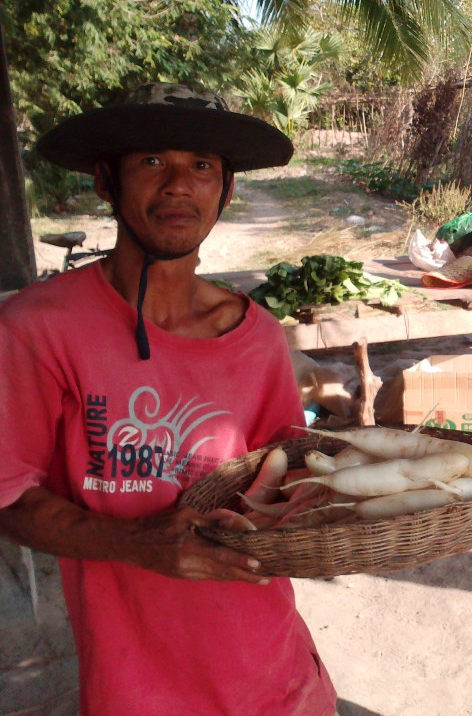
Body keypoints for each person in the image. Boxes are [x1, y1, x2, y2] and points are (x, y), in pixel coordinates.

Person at [0, 83, 338, 716]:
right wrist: (134, 542)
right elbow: (8, 495)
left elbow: (284, 477)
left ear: (227, 190)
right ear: (106, 181)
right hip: (138, 689)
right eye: (153, 161)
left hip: (275, 674)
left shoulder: (257, 335)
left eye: (202, 166)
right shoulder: (37, 327)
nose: (179, 184)